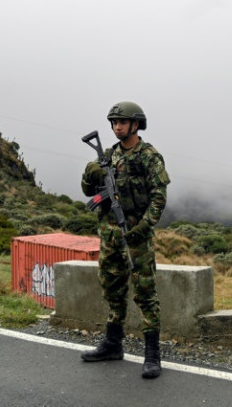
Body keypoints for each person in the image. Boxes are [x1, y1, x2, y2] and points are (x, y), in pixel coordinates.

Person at [80, 101, 170, 379]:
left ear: (135, 124)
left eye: (121, 122)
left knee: (145, 293)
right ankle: (112, 344)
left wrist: (143, 226)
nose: (116, 127)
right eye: (113, 123)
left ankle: (152, 354)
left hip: (136, 237)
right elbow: (88, 192)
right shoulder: (107, 157)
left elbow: (158, 197)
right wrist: (90, 172)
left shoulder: (149, 156)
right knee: (112, 289)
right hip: (109, 236)